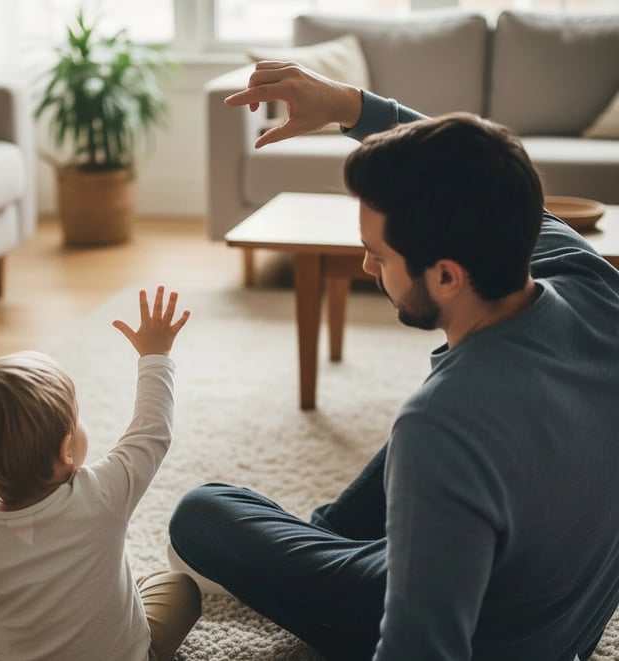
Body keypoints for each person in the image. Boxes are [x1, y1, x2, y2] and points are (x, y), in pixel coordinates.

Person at [168, 62, 619, 661]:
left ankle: (318, 558)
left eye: (378, 255)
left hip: (497, 639)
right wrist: (350, 106)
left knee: (201, 514)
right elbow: (478, 170)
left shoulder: (443, 423)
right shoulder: (589, 277)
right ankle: (326, 539)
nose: (365, 268)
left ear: (447, 276)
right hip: (568, 619)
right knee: (398, 478)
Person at [0, 286, 199, 661]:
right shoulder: (102, 495)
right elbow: (152, 432)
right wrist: (155, 356)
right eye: (76, 418)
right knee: (179, 588)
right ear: (67, 451)